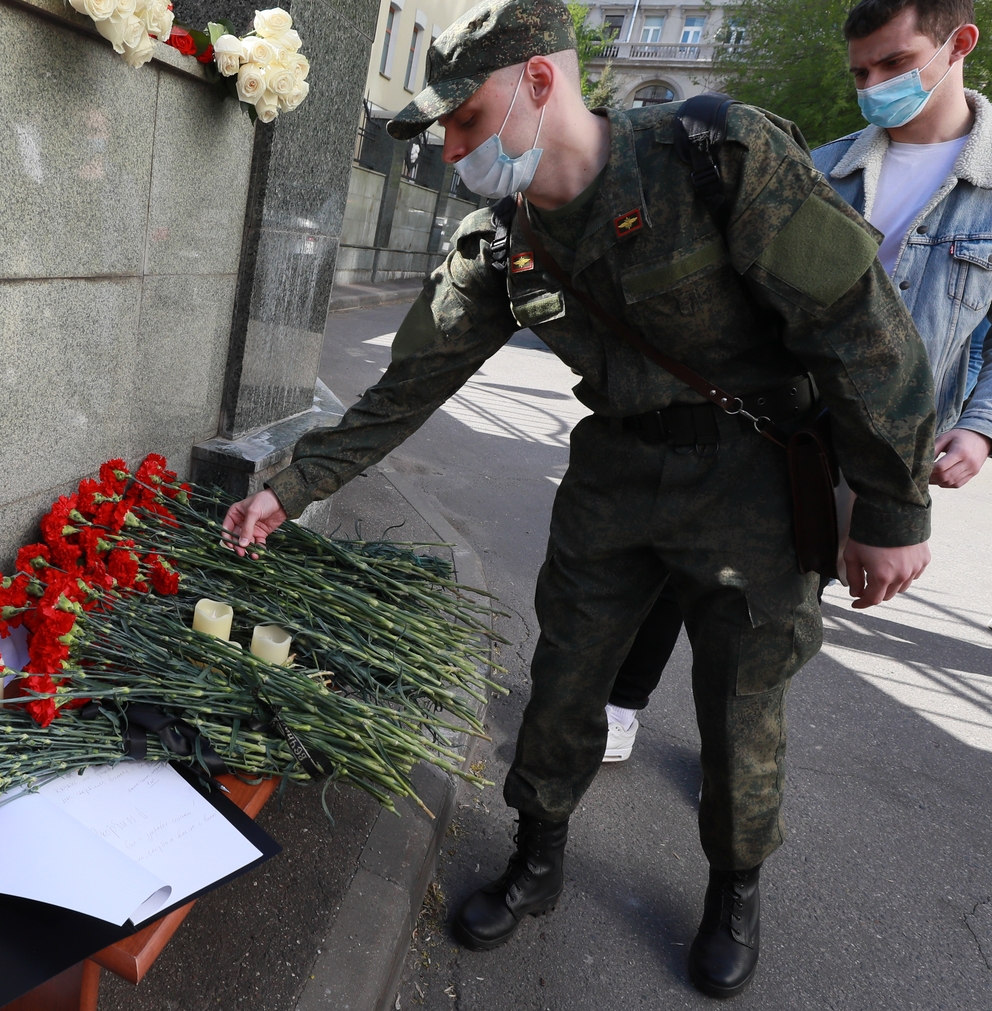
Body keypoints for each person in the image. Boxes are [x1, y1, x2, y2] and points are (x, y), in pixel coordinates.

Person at [222, 0, 935, 996]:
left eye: (467, 121)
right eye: (445, 133)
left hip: (755, 480)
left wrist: (893, 510)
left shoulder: (712, 155)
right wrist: (292, 488)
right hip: (613, 476)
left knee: (741, 703)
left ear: (540, 82)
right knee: (565, 677)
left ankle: (733, 884)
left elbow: (860, 329)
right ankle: (537, 855)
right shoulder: (496, 242)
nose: (455, 148)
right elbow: (405, 387)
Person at [603, 0, 992, 765]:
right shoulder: (820, 165)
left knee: (782, 607)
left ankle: (735, 750)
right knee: (682, 562)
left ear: (959, 44)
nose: (873, 84)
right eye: (860, 71)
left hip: (880, 442)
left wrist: (979, 426)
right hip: (769, 418)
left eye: (893, 64)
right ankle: (622, 703)